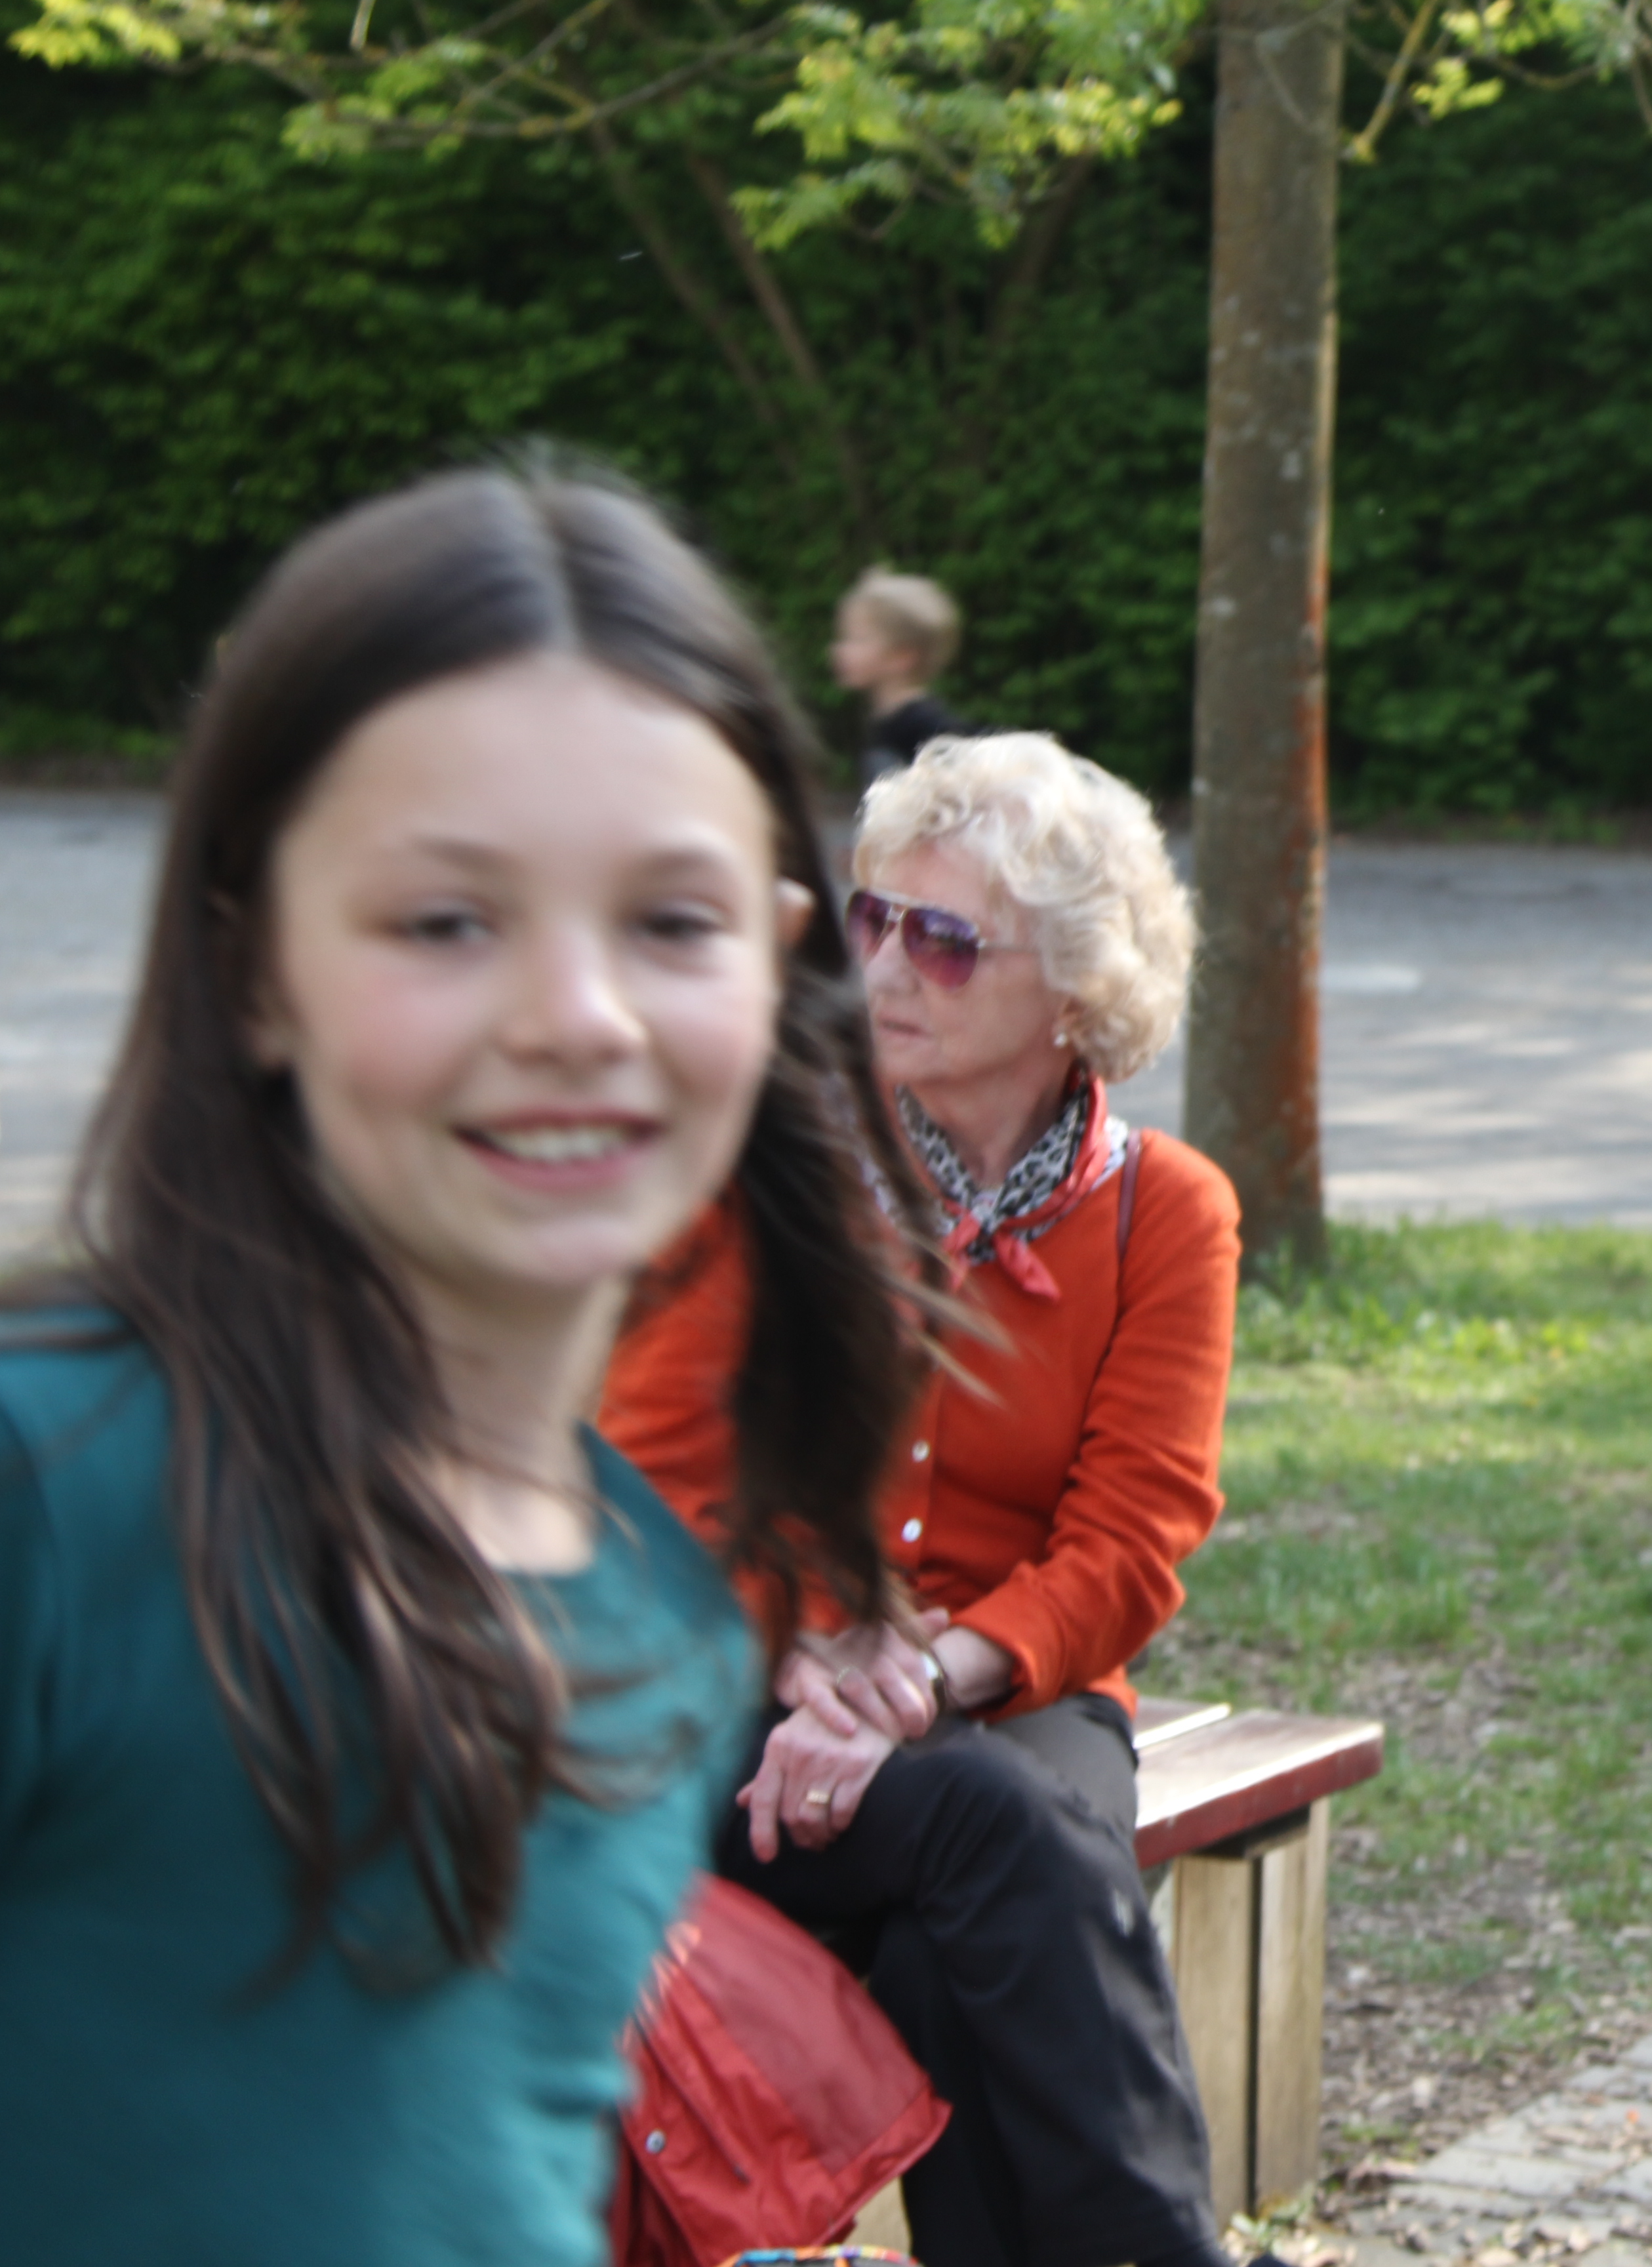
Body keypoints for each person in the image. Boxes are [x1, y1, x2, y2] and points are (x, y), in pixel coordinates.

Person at [0, 465, 935, 2264]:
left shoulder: (660, 1618)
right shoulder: (48, 1495)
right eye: (446, 920)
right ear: (251, 964)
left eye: (669, 921)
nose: (575, 1015)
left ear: (773, 968)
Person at [601, 732, 1240, 2267]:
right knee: (994, 1828)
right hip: (726, 1697)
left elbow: (1131, 1543)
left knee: (959, 1926)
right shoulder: (768, 1175)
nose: (884, 967)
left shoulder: (1166, 1214)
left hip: (1018, 1689)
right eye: (872, 917)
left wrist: (928, 1678)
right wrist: (813, 1657)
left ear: (1075, 988)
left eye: (945, 940)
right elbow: (647, 1484)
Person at [834, 565, 970, 786]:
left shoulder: (931, 731)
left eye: (858, 639)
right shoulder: (884, 722)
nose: (840, 650)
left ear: (902, 657)